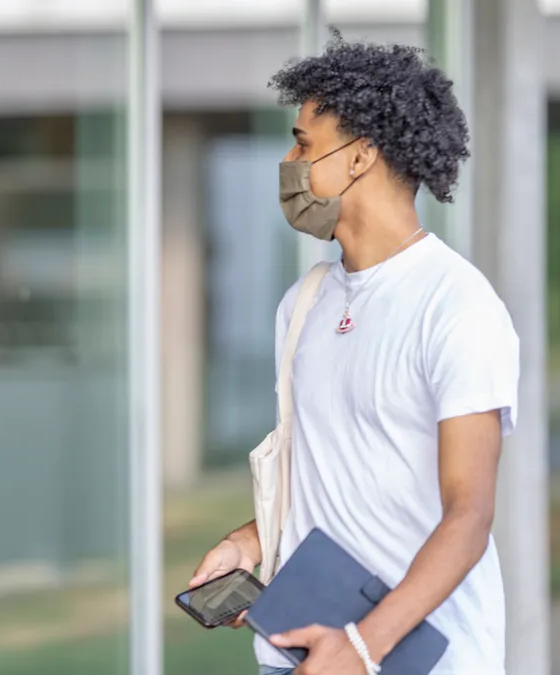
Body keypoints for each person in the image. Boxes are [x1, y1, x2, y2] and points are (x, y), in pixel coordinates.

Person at [189, 35, 519, 675]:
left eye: (305, 144)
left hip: (417, 659)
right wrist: (251, 541)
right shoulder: (303, 303)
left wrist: (363, 647)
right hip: (302, 652)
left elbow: (469, 515)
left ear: (362, 155)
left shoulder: (457, 307)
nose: (289, 162)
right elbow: (329, 469)